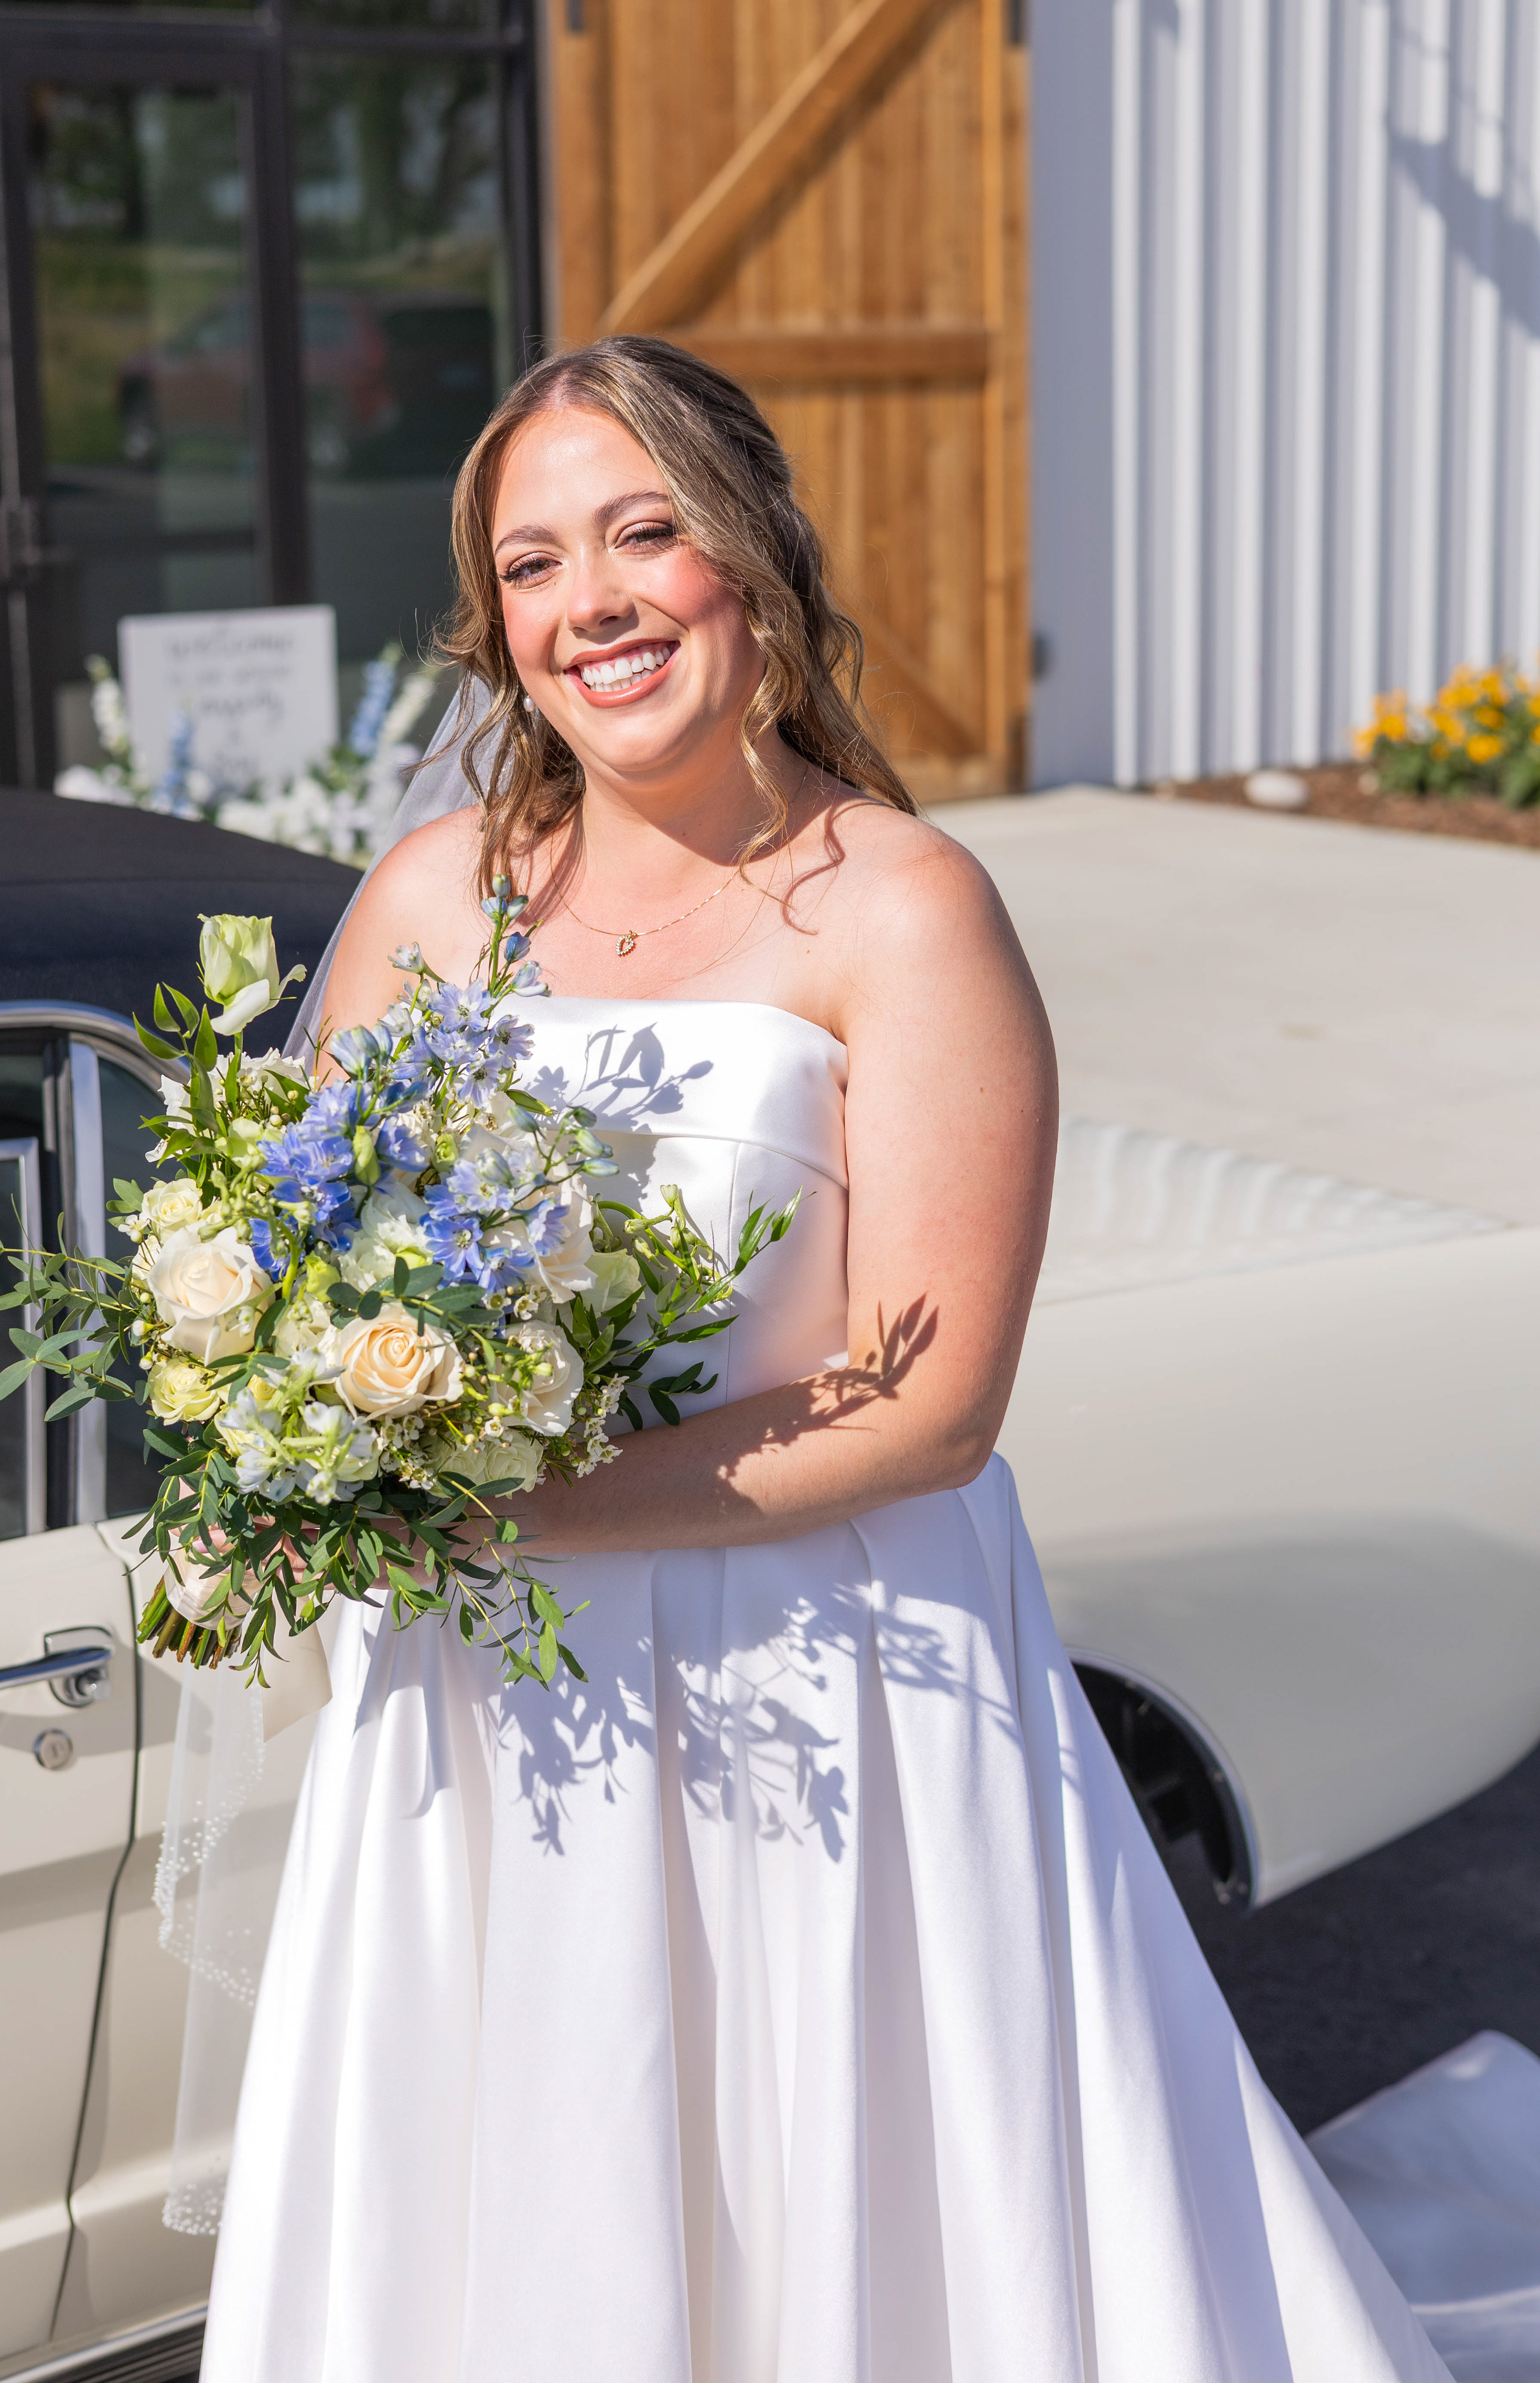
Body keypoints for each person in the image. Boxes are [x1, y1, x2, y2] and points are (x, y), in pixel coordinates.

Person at [198, 338, 1445, 2381]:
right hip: (492, 1697)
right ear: (494, 628)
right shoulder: (434, 899)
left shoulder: (903, 907)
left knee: (824, 2215)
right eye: (533, 564)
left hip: (815, 1689)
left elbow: (933, 1406)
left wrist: (515, 1509)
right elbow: (304, 1273)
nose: (591, 603)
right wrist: (313, 1426)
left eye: (643, 533)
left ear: (751, 557)